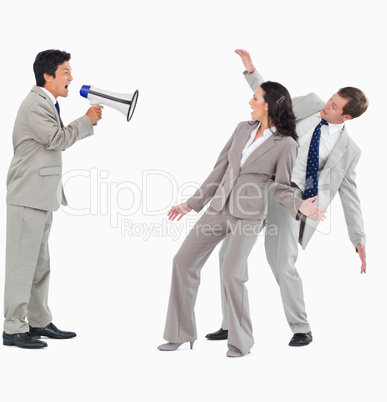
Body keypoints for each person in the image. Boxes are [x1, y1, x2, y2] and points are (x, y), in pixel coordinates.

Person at [205, 49, 368, 347]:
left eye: (334, 107)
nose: (326, 107)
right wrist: (252, 72)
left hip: (292, 199)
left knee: (282, 264)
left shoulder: (348, 150)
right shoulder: (310, 104)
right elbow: (273, 102)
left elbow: (351, 195)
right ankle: (230, 324)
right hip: (257, 186)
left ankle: (301, 326)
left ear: (346, 117)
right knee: (228, 255)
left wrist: (358, 238)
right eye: (330, 99)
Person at [158, 81, 326, 357]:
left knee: (231, 272)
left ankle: (240, 341)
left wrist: (300, 207)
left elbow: (282, 188)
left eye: (255, 98)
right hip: (218, 207)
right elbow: (219, 169)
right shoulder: (241, 129)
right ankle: (179, 333)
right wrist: (192, 204)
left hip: (248, 214)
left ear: (270, 104)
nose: (250, 103)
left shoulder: (286, 144)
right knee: (182, 261)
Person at [3, 49, 103, 349]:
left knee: (39, 265)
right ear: (48, 76)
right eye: (65, 72)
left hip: (41, 197)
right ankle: (12, 328)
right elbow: (56, 140)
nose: (71, 77)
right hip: (27, 197)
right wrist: (86, 121)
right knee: (22, 266)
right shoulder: (36, 104)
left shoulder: (47, 103)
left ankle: (38, 321)